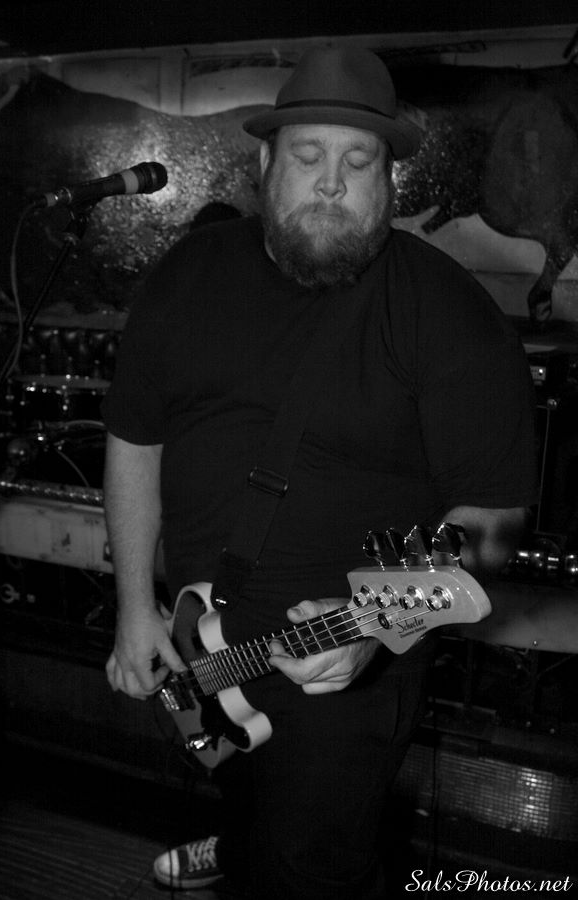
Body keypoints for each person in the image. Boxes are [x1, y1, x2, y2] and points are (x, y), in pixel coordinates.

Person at [101, 45, 538, 900]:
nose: (332, 182)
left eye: (358, 161)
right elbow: (134, 437)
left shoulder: (448, 311)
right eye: (308, 156)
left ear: (390, 182)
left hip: (346, 679)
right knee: (239, 791)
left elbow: (491, 521)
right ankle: (239, 845)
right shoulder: (187, 274)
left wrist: (376, 620)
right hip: (200, 645)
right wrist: (131, 610)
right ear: (265, 165)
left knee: (311, 870)